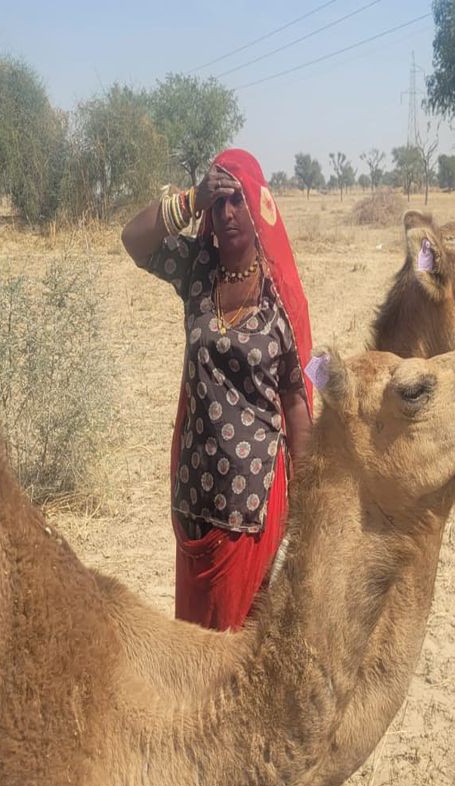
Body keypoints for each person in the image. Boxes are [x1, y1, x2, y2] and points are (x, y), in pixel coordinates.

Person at [121, 148, 314, 631]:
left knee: (235, 660)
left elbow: (295, 401)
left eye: (238, 202)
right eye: (219, 203)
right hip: (193, 499)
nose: (227, 215)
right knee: (191, 648)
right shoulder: (197, 269)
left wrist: (310, 502)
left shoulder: (278, 297)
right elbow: (134, 241)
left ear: (259, 208)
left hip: (250, 508)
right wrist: (190, 200)